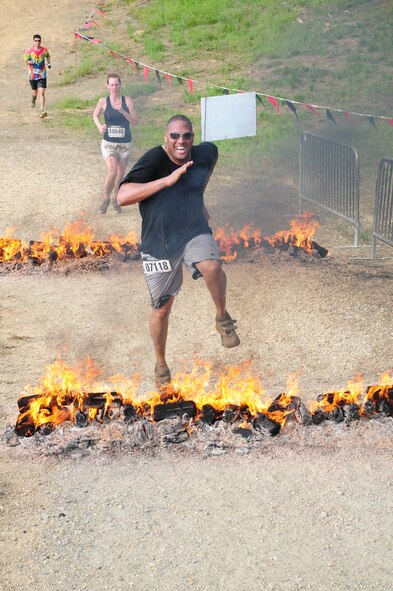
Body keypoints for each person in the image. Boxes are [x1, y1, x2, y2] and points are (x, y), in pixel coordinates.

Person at [117, 114, 240, 389]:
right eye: (174, 136)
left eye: (186, 136)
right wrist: (168, 181)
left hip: (193, 230)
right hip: (158, 243)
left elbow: (210, 161)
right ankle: (160, 363)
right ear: (165, 137)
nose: (181, 141)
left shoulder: (205, 153)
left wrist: (200, 197)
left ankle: (222, 317)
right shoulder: (153, 161)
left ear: (192, 137)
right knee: (161, 309)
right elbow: (122, 196)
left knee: (212, 267)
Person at [93, 74, 138, 214]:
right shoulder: (103, 101)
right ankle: (106, 198)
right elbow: (95, 115)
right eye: (111, 85)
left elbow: (135, 122)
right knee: (112, 172)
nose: (114, 87)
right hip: (109, 143)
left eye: (116, 84)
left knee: (120, 175)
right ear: (107, 86)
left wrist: (123, 111)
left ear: (120, 85)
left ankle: (115, 198)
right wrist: (100, 127)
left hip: (125, 144)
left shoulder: (128, 101)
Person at [24, 34, 51, 119]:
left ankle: (43, 110)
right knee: (34, 93)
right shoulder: (29, 51)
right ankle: (33, 100)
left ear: (41, 41)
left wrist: (48, 62)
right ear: (33, 41)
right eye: (36, 41)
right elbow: (26, 61)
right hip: (32, 75)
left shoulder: (44, 50)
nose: (37, 42)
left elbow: (48, 56)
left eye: (39, 40)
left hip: (42, 74)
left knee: (41, 93)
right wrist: (32, 61)